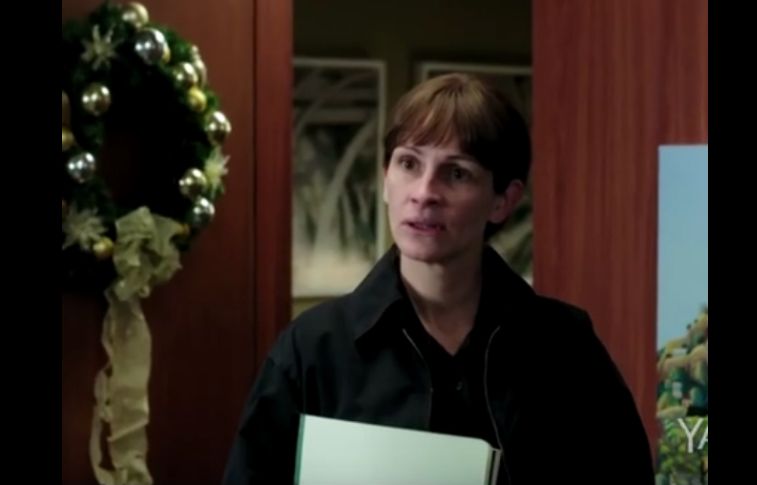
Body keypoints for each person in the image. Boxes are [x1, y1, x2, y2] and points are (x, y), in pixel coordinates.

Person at [222, 73, 654, 484]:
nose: (424, 192)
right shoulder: (313, 350)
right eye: (409, 163)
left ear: (503, 201)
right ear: (386, 180)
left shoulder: (565, 346)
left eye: (457, 173)